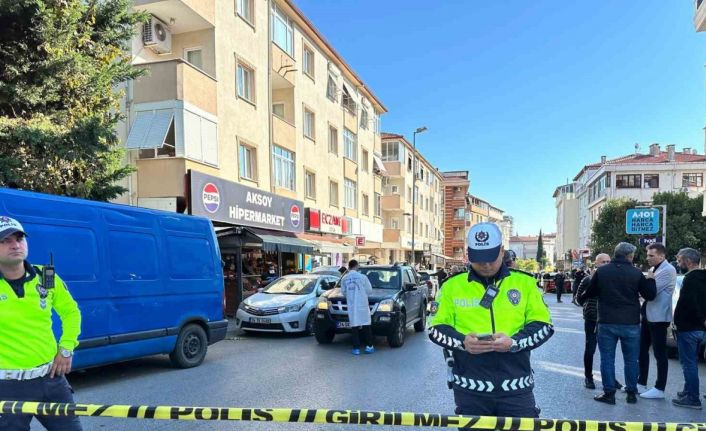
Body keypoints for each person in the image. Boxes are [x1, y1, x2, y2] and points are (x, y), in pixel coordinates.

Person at [428, 222, 553, 417]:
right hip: (470, 389)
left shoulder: (525, 283)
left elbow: (544, 326)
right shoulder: (451, 286)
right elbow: (435, 327)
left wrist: (514, 343)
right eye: (479, 259)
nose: (486, 264)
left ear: (502, 251)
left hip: (516, 388)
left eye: (491, 258)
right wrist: (463, 342)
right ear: (469, 255)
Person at [0, 216, 83, 431]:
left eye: (19, 238)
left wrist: (66, 348)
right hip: (6, 387)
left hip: (51, 380)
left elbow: (71, 312)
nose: (15, 245)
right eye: (5, 240)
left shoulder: (46, 276)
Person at [584, 242, 656, 405]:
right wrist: (651, 280)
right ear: (630, 256)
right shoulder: (636, 273)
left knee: (607, 359)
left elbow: (590, 293)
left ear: (615, 254)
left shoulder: (602, 272)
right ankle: (631, 393)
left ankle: (609, 393)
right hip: (630, 322)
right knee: (631, 360)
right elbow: (650, 295)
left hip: (607, 321)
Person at [637, 243, 676, 399]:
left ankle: (660, 388)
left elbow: (649, 293)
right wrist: (649, 279)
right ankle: (641, 383)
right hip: (648, 315)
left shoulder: (668, 270)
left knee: (660, 353)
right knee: (642, 349)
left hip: (659, 318)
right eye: (647, 255)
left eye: (651, 255)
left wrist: (648, 281)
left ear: (662, 256)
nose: (648, 258)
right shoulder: (655, 269)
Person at [671, 248, 706, 409]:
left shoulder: (690, 279)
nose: (679, 264)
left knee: (688, 363)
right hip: (699, 328)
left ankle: (693, 398)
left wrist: (677, 322)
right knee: (692, 361)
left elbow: (688, 304)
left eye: (680, 261)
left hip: (689, 327)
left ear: (689, 261)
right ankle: (688, 390)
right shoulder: (703, 277)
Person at [576, 253, 612, 390]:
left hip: (608, 319)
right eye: (603, 262)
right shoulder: (588, 279)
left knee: (608, 351)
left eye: (609, 261)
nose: (606, 264)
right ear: (596, 263)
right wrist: (589, 304)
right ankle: (588, 377)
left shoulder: (614, 278)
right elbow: (578, 299)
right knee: (590, 349)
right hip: (592, 318)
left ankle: (610, 379)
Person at [341, 259, 374, 355]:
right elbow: (369, 290)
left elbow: (343, 292)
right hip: (362, 304)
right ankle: (369, 346)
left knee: (354, 326)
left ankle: (356, 348)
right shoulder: (362, 277)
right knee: (366, 325)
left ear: (349, 266)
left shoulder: (344, 278)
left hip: (352, 305)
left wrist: (351, 296)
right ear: (356, 266)